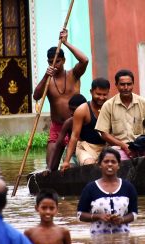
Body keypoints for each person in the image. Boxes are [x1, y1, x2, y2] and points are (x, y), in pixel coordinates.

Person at [33, 28, 89, 166]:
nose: (55, 65)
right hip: (57, 127)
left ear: (63, 60)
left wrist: (65, 43)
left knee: (79, 162)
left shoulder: (73, 74)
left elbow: (84, 60)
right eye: (51, 62)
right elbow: (36, 96)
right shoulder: (48, 81)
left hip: (76, 125)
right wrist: (46, 75)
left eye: (57, 61)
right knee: (50, 167)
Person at [95, 69, 145, 160]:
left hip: (142, 146)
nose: (126, 87)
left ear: (133, 84)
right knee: (118, 160)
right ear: (116, 85)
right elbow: (104, 134)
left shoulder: (144, 103)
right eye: (122, 84)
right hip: (118, 148)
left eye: (129, 84)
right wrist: (123, 145)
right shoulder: (108, 105)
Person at [77, 147, 138, 235]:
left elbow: (134, 214)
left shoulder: (128, 187)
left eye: (113, 162)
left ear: (118, 165)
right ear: (100, 164)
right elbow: (80, 215)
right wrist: (99, 216)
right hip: (98, 241)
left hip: (123, 240)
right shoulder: (90, 188)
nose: (110, 164)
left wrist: (122, 220)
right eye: (106, 161)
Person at [61, 78, 110, 171]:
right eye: (98, 94)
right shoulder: (82, 110)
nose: (101, 97)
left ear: (108, 93)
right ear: (91, 92)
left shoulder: (110, 108)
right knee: (90, 166)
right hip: (86, 148)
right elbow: (74, 136)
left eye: (104, 94)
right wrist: (67, 161)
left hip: (106, 147)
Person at [48, 94, 87, 171]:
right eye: (71, 109)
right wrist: (49, 167)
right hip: (71, 155)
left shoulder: (90, 120)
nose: (72, 113)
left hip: (87, 152)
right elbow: (58, 144)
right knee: (70, 170)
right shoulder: (68, 123)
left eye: (75, 110)